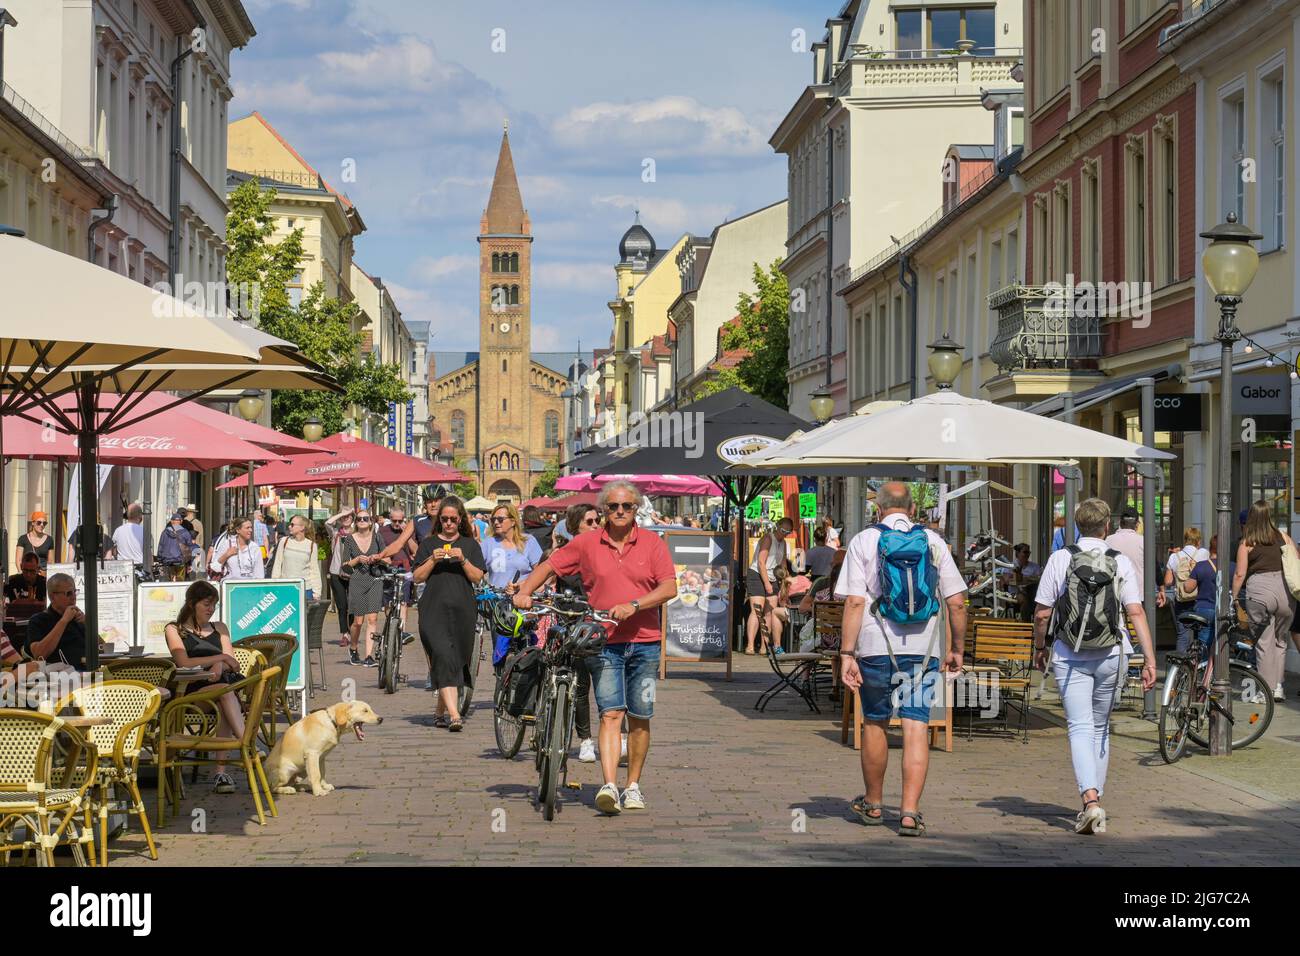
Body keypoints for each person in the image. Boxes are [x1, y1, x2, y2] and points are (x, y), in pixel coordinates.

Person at [514, 480, 677, 816]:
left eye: (626, 507)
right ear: (604, 510)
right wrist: (525, 591)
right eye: (613, 507)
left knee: (641, 716)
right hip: (604, 642)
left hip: (644, 643)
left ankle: (632, 785)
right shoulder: (587, 543)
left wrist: (634, 604)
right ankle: (609, 785)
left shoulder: (652, 544)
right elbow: (549, 566)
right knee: (610, 712)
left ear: (636, 510)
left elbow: (669, 587)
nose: (619, 512)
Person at [836, 482, 966, 836]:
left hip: (876, 646)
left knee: (875, 722)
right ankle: (909, 812)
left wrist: (847, 653)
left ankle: (874, 804)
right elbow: (956, 601)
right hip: (924, 651)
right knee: (916, 725)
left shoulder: (864, 541)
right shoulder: (934, 541)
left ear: (877, 510)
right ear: (912, 510)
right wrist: (956, 649)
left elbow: (854, 602)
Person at [1034, 498, 1156, 836]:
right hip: (1112, 655)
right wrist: (1149, 658)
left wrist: (1040, 647)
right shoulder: (1120, 563)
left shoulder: (1061, 558)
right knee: (1100, 728)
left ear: (1077, 525)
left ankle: (1090, 801)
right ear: (1106, 527)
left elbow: (1043, 612)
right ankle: (1095, 800)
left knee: (1079, 727)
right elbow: (1135, 613)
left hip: (1069, 654)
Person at [164, 581, 246, 794]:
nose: (211, 610)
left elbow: (233, 663)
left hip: (221, 689)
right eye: (207, 604)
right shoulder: (175, 630)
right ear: (192, 604)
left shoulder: (220, 628)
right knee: (225, 694)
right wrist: (219, 658)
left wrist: (220, 662)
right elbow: (184, 663)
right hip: (191, 694)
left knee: (225, 696)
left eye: (214, 605)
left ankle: (222, 771)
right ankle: (247, 746)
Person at [413, 496, 486, 731]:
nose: (448, 523)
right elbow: (417, 577)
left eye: (453, 519)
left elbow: (477, 577)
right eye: (444, 519)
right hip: (433, 610)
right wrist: (433, 559)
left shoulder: (470, 545)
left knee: (456, 660)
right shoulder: (428, 543)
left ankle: (439, 711)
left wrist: (462, 559)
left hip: (463, 610)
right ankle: (455, 715)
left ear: (460, 519)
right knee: (443, 656)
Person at [554, 503, 602, 762]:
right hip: (574, 623)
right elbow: (547, 575)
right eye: (589, 522)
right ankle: (585, 740)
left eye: (597, 521)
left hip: (601, 623)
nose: (595, 526)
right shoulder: (564, 554)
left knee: (607, 685)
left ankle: (616, 736)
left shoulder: (606, 553)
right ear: (574, 527)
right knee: (581, 685)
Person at [1232, 502, 1294, 702]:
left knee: (1263, 642)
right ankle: (1278, 687)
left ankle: (1264, 690)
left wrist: (1232, 597)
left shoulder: (1247, 542)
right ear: (1269, 516)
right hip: (1285, 592)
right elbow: (1295, 559)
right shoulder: (1282, 537)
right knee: (1280, 640)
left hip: (1259, 592)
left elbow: (1240, 573)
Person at [339, 509, 388, 667]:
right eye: (359, 518)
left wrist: (377, 558)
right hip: (357, 581)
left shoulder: (377, 537)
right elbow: (345, 566)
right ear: (355, 521)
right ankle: (353, 648)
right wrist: (357, 560)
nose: (362, 521)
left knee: (372, 619)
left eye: (365, 518)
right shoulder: (349, 539)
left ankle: (369, 656)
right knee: (358, 622)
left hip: (375, 578)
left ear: (370, 522)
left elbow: (388, 558)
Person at [25, 573, 95, 670]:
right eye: (68, 593)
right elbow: (39, 654)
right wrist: (64, 621)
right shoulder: (39, 620)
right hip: (60, 678)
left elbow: (102, 649)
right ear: (52, 597)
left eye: (75, 592)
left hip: (90, 672)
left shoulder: (78, 619)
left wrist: (89, 626)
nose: (73, 597)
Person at [745, 517, 793, 655]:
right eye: (783, 530)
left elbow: (783, 565)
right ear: (777, 526)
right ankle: (750, 645)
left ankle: (765, 646)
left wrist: (785, 581)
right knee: (757, 610)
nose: (784, 534)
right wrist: (766, 584)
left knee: (769, 612)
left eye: (788, 532)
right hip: (757, 574)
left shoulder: (783, 543)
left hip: (772, 576)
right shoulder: (768, 538)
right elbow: (761, 562)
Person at [1163, 527, 1209, 653]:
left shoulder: (1174, 557)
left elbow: (1168, 582)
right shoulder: (1204, 553)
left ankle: (1180, 668)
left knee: (1183, 635)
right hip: (1200, 600)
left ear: (1185, 540)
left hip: (1182, 601)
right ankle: (1200, 666)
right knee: (1202, 635)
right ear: (1198, 541)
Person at [377, 507, 418, 638]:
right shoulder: (382, 531)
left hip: (404, 569)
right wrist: (383, 558)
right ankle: (391, 627)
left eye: (400, 521)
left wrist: (406, 533)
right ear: (390, 519)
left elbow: (415, 550)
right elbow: (377, 550)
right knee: (388, 601)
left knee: (403, 601)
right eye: (394, 520)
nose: (397, 524)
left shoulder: (408, 531)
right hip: (388, 569)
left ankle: (401, 632)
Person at [270, 514, 324, 601]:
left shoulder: (311, 545)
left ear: (302, 528)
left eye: (292, 524)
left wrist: (317, 592)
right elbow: (277, 565)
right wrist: (274, 586)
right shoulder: (284, 541)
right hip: (285, 588)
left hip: (305, 590)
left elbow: (314, 570)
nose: (289, 526)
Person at [1104, 507, 1145, 601]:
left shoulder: (1108, 541)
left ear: (1120, 523)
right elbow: (1154, 567)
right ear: (1137, 524)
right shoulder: (1143, 541)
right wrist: (1161, 588)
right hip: (1138, 595)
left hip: (1113, 595)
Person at [209, 516, 265, 581]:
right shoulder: (227, 544)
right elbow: (214, 567)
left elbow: (259, 574)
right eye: (247, 528)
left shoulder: (255, 548)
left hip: (249, 587)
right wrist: (227, 555)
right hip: (229, 587)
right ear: (238, 530)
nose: (251, 530)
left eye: (251, 527)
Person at [1000, 543, 1042, 622]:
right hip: (1014, 594)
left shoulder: (1034, 566)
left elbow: (1039, 579)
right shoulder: (1010, 566)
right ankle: (1026, 623)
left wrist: (1027, 579)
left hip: (1032, 593)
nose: (1027, 554)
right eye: (1025, 552)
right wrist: (1020, 577)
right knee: (1024, 599)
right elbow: (1006, 580)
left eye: (1028, 552)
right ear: (1018, 553)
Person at [156, 511, 194, 581]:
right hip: (180, 561)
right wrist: (190, 563)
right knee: (180, 582)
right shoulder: (185, 532)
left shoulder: (165, 532)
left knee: (169, 582)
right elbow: (190, 548)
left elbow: (161, 546)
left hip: (167, 561)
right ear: (181, 521)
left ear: (171, 521)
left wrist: (160, 560)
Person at [111, 502, 146, 567]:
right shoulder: (145, 531)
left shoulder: (118, 530)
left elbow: (114, 552)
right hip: (139, 568)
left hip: (123, 568)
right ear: (140, 516)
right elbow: (148, 554)